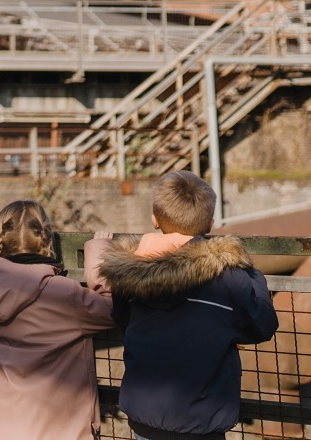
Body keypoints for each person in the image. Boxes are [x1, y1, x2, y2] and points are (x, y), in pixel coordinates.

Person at [89, 171, 279, 440]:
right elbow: (262, 325)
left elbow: (123, 316)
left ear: (154, 219)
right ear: (210, 223)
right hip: (202, 420)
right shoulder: (229, 278)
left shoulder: (129, 271)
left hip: (145, 416)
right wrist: (253, 275)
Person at [0, 199, 116, 440]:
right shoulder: (65, 294)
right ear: (46, 239)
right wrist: (100, 258)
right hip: (54, 430)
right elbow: (112, 310)